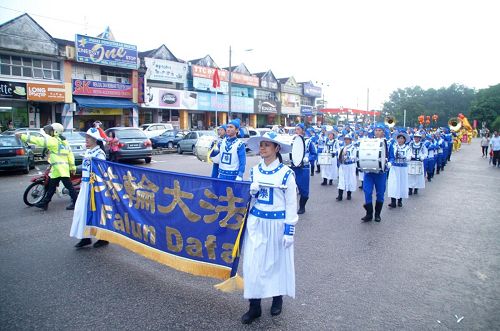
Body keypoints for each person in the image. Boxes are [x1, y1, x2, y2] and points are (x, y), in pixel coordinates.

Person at [242, 131, 298, 325]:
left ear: (277, 149)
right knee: (253, 263)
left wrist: (289, 230)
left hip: (276, 224)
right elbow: (251, 199)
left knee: (275, 263)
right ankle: (254, 306)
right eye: (262, 144)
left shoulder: (286, 174)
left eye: (267, 145)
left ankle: (277, 298)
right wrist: (252, 193)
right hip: (256, 223)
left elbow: (291, 204)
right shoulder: (254, 171)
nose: (263, 148)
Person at [17, 123, 77, 211]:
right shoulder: (64, 142)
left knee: (69, 187)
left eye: (51, 131)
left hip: (60, 169)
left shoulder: (54, 141)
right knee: (51, 187)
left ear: (56, 132)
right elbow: (70, 155)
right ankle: (45, 203)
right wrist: (73, 167)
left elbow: (39, 141)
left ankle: (76, 203)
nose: (49, 132)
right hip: (59, 169)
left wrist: (23, 137)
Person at [70, 127, 109, 248]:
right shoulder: (88, 151)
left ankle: (103, 237)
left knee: (97, 212)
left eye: (89, 138)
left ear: (95, 140)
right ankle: (85, 237)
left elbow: (102, 171)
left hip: (95, 187)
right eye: (86, 137)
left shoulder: (99, 154)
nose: (86, 140)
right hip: (85, 186)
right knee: (81, 211)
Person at [361, 123, 389, 222]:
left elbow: (392, 157)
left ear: (383, 132)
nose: (377, 132)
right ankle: (369, 214)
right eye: (376, 130)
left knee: (380, 193)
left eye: (379, 130)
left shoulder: (388, 142)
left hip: (381, 172)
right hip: (369, 171)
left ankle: (377, 214)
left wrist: (389, 163)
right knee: (367, 191)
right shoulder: (369, 142)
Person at [291, 123, 317, 214]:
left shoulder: (308, 141)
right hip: (292, 167)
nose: (296, 131)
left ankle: (302, 207)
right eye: (295, 129)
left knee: (304, 190)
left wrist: (308, 158)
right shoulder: (292, 140)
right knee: (289, 188)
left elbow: (314, 153)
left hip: (303, 168)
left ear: (303, 130)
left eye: (298, 129)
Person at [387, 131, 412, 208]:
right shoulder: (393, 146)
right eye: (399, 138)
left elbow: (409, 157)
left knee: (401, 183)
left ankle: (400, 200)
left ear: (404, 140)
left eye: (402, 138)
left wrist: (404, 157)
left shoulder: (407, 148)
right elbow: (390, 155)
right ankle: (393, 201)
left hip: (403, 168)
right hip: (394, 167)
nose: (400, 140)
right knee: (393, 183)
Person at [337, 133, 357, 201]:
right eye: (345, 139)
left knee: (350, 180)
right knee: (341, 180)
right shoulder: (341, 147)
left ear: (350, 140)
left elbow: (355, 157)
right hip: (343, 165)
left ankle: (349, 195)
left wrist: (348, 157)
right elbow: (339, 156)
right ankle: (340, 195)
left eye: (348, 139)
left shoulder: (353, 148)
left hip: (350, 166)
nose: (346, 141)